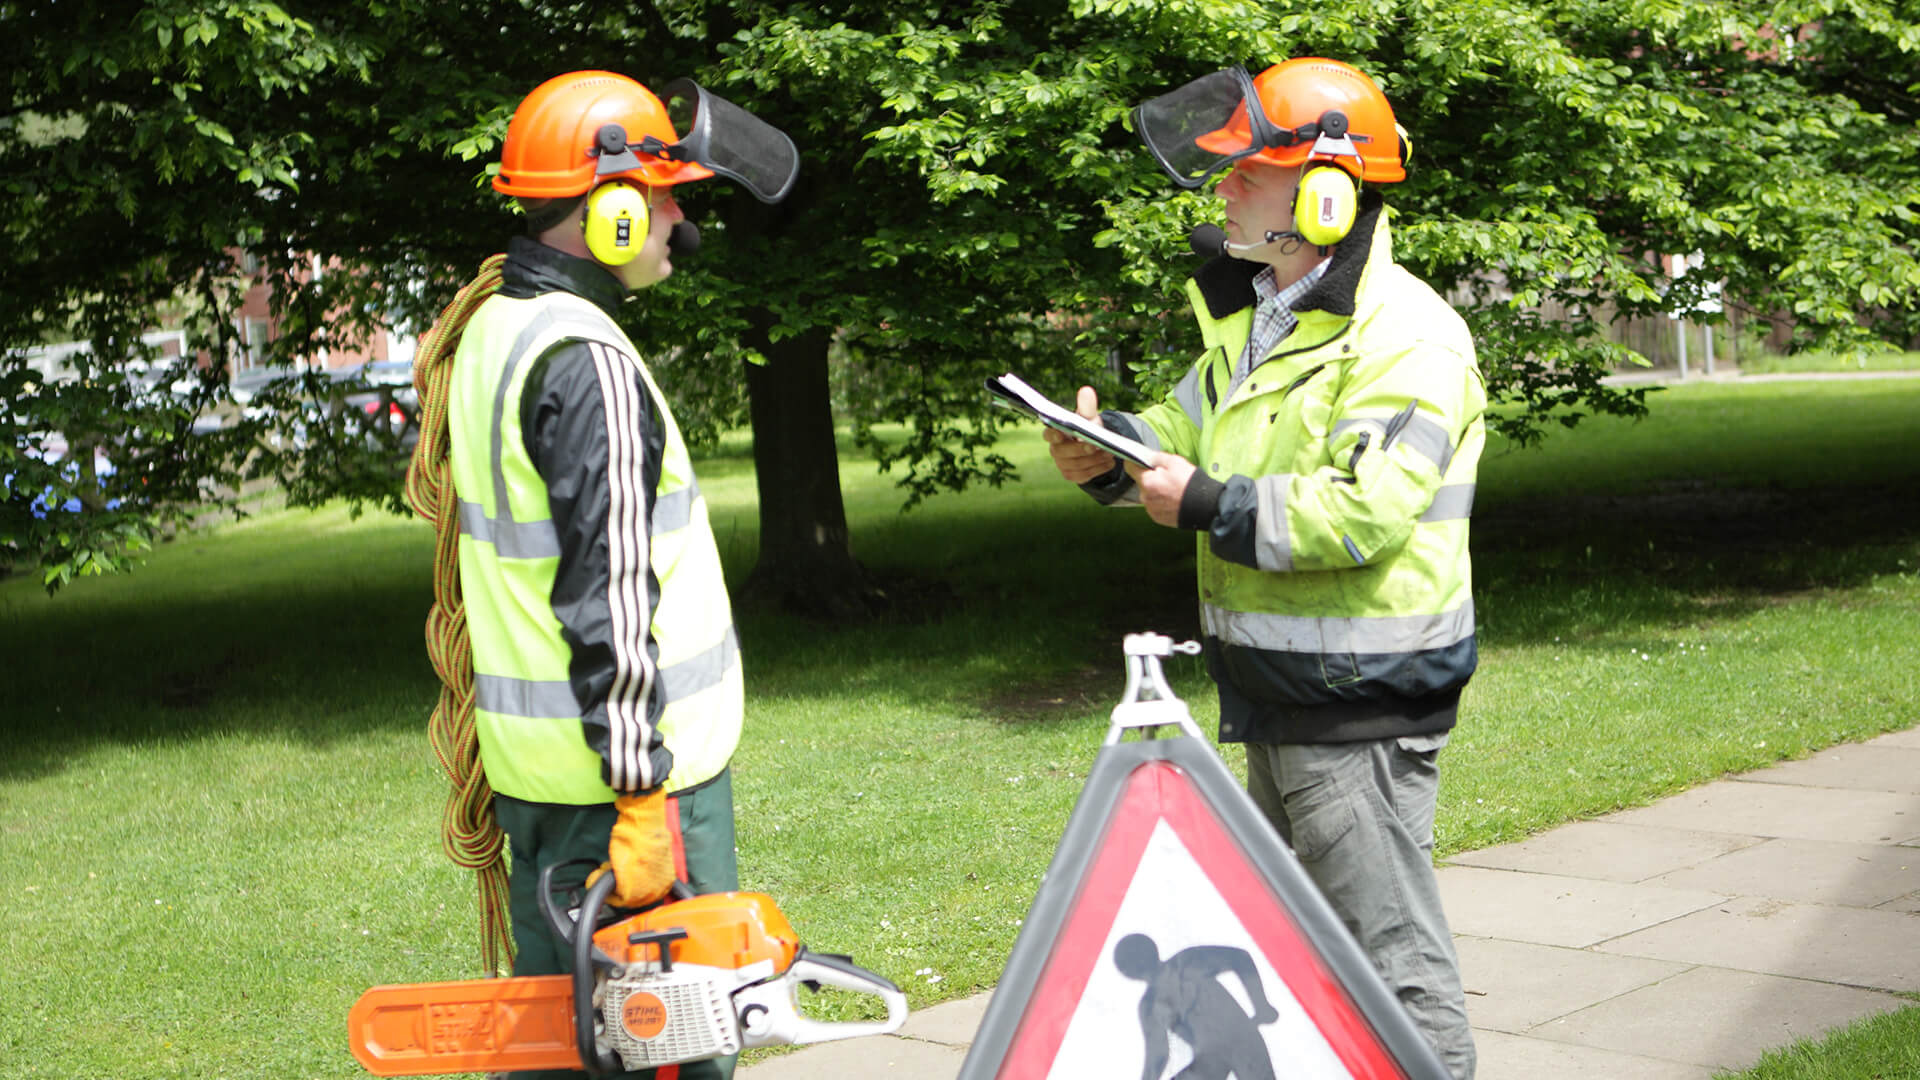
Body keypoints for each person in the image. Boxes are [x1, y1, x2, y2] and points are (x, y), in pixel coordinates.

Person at [1048, 58, 1482, 1078]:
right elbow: (1180, 434)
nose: (1224, 187)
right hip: (1278, 687)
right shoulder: (1260, 323)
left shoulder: (1409, 337)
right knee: (1310, 956)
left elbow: (1364, 512)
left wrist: (1201, 501)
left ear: (1325, 190)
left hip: (1360, 702)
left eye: (1246, 169)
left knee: (1390, 964)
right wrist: (1106, 448)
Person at [417, 69, 797, 1080]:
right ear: (611, 210)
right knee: (670, 1054)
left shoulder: (497, 326)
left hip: (540, 784)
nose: (680, 217)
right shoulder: (582, 361)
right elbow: (612, 595)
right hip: (624, 791)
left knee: (564, 1053)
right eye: (665, 194)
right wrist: (639, 799)